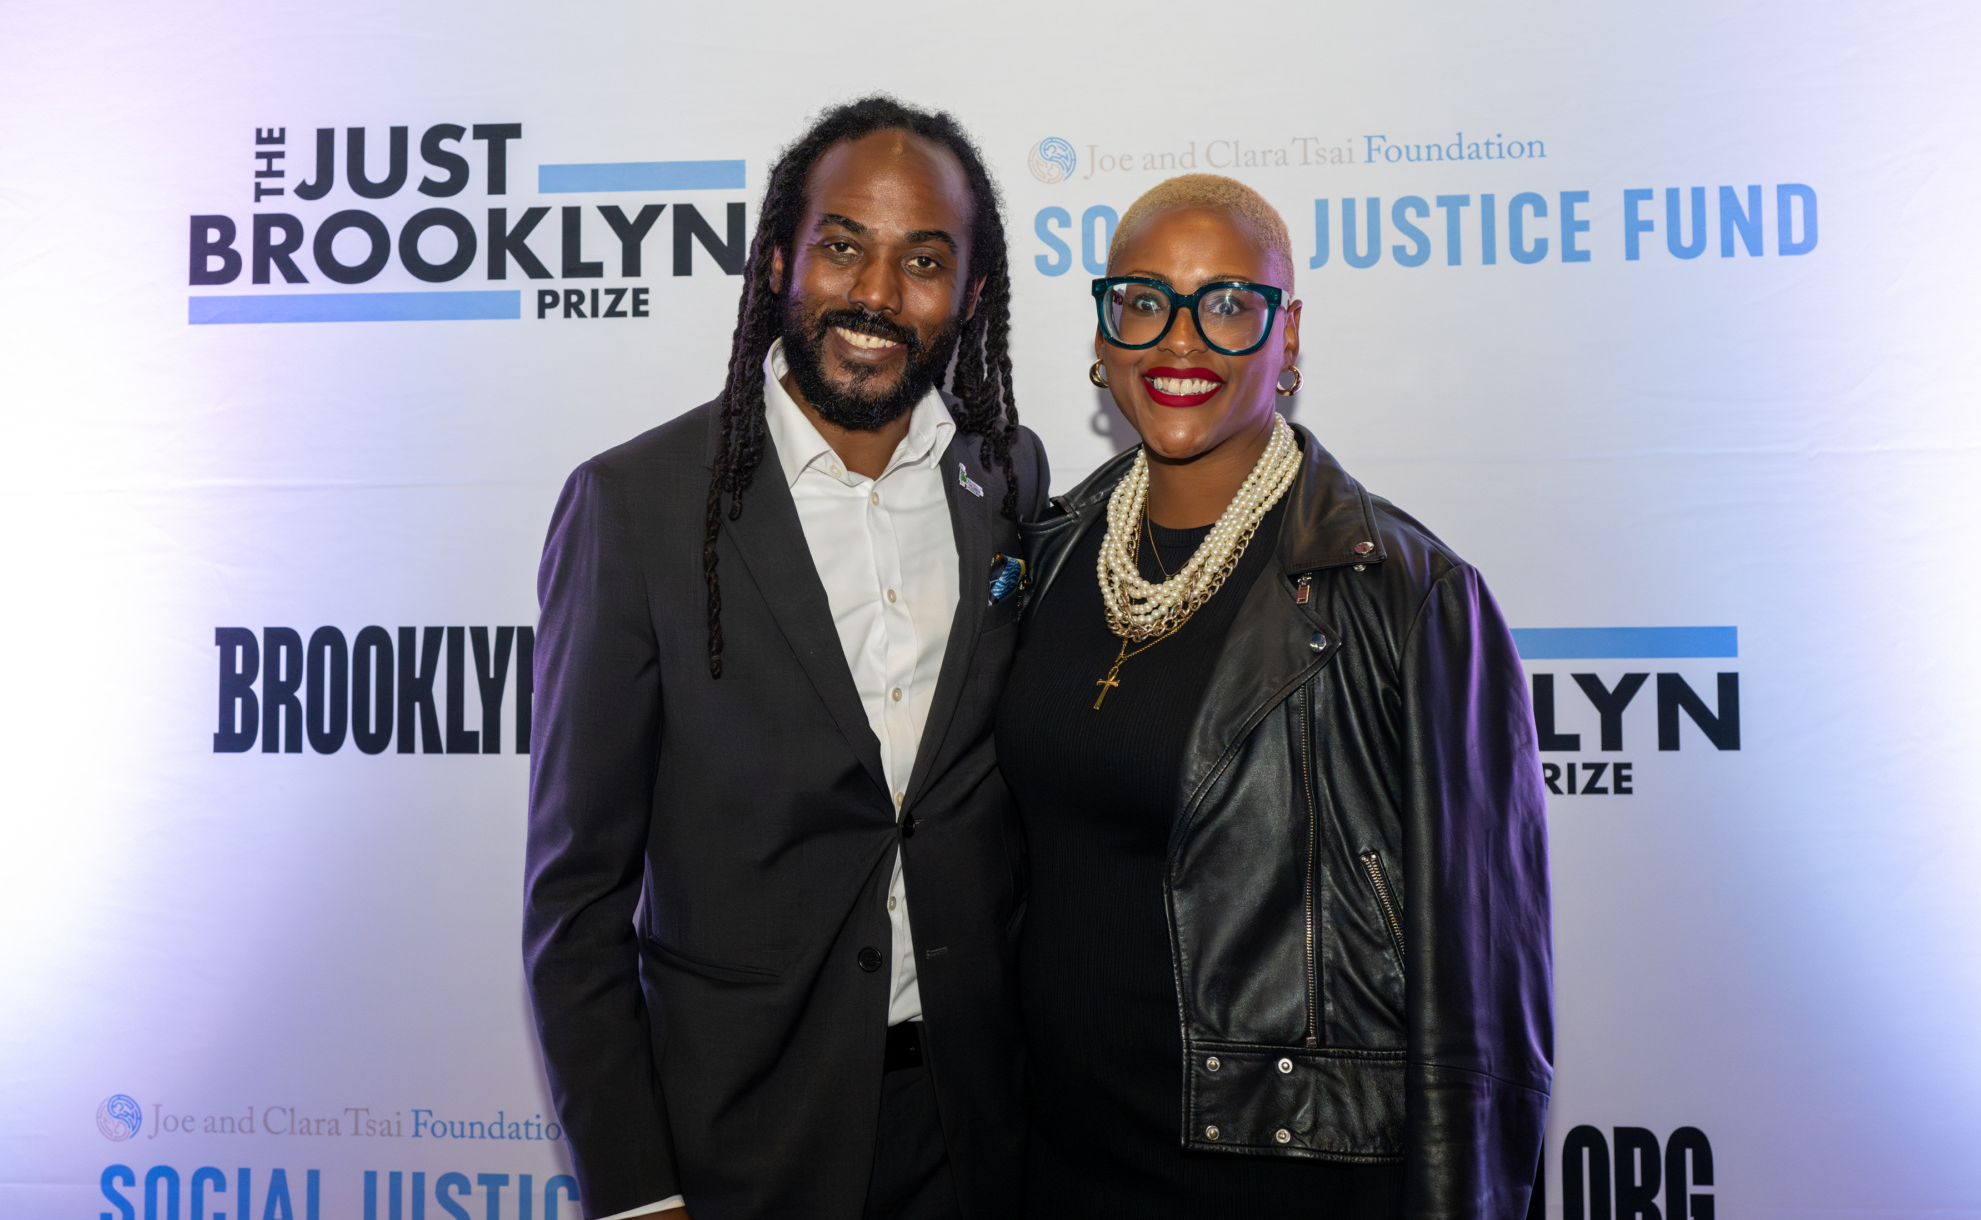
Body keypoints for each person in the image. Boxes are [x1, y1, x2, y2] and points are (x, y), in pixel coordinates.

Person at [524, 97, 1048, 1220]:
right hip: (739, 1144)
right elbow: (576, 901)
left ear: (971, 296)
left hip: (975, 1132)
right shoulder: (636, 507)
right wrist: (631, 1191)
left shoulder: (1008, 482)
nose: (873, 293)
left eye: (922, 260)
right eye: (841, 246)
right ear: (775, 260)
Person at [999, 174, 1552, 1219]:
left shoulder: (1403, 593)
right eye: (1143, 299)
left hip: (1281, 1177)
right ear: (1105, 328)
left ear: (1285, 335)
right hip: (1057, 1164)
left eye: (1228, 305)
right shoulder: (1045, 556)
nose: (1179, 339)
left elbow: (1482, 993)